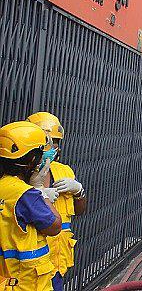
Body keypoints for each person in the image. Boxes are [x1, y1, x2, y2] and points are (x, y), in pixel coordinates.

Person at [27, 112, 87, 291]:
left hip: (57, 265)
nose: (53, 147)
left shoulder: (64, 171)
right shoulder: (19, 177)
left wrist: (79, 191)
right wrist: (38, 195)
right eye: (47, 141)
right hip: (30, 271)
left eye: (55, 142)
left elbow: (80, 210)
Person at [0, 121, 62, 291]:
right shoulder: (27, 195)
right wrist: (40, 190)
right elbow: (55, 226)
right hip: (27, 283)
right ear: (33, 160)